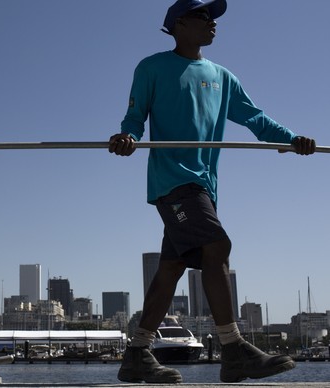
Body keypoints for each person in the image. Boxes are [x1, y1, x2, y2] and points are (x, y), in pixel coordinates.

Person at [108, 0, 316, 384]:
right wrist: (128, 137)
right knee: (217, 245)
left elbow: (256, 118)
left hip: (205, 184)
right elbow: (134, 117)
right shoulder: (151, 67)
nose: (213, 23)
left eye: (214, 17)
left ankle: (136, 355)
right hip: (173, 181)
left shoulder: (222, 76)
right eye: (204, 16)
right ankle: (234, 350)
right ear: (178, 24)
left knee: (170, 268)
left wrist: (292, 140)